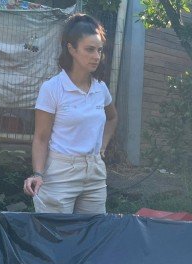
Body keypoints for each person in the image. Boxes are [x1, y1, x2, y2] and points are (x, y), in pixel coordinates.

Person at [23, 13, 118, 214]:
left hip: (95, 173)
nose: (96, 56)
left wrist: (102, 147)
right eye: (90, 50)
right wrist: (38, 174)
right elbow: (40, 138)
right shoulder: (52, 88)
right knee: (56, 237)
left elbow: (112, 117)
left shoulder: (100, 88)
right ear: (71, 49)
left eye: (99, 50)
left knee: (93, 235)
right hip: (60, 173)